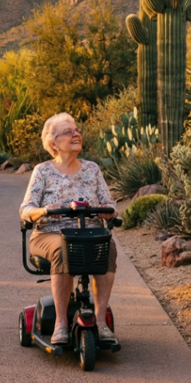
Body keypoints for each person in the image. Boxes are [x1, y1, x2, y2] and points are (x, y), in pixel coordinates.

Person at [20, 112, 118, 345]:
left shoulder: (92, 169)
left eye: (77, 131)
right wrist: (44, 210)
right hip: (50, 233)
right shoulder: (42, 171)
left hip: (90, 231)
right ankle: (61, 323)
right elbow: (26, 210)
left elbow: (110, 204)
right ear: (53, 143)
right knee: (63, 248)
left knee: (108, 247)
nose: (76, 134)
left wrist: (107, 211)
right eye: (68, 132)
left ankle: (101, 321)